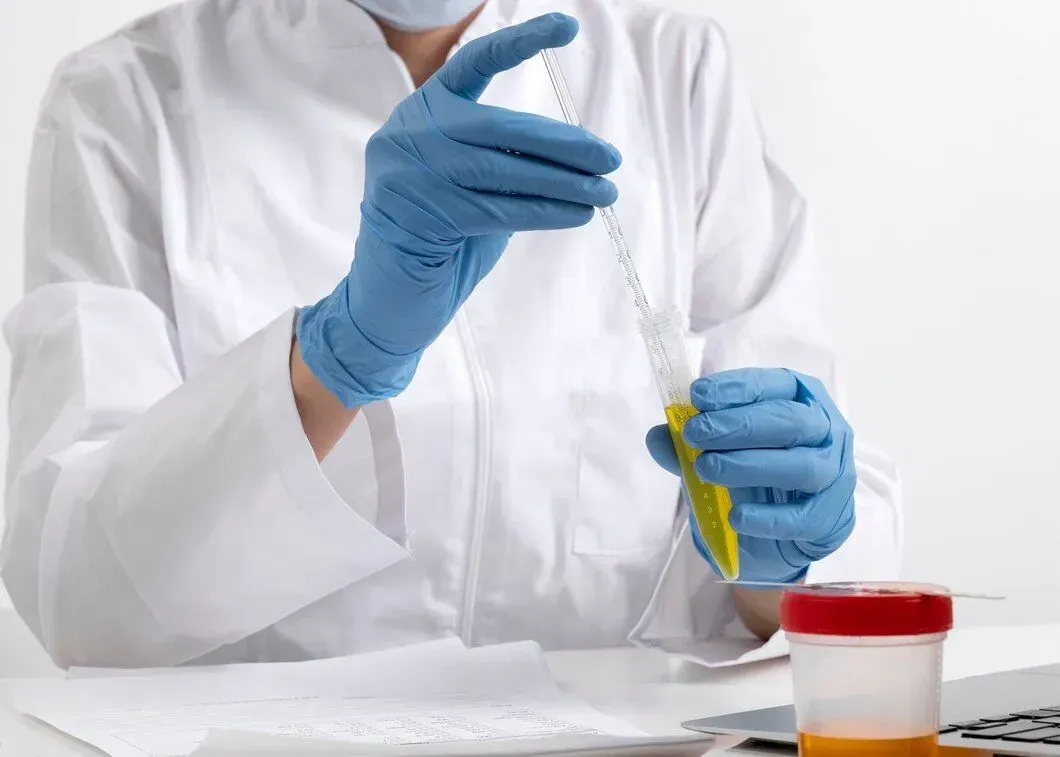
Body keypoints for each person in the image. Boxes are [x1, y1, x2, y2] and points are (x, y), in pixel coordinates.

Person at [2, 0, 901, 670]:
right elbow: (81, 595)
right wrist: (333, 360)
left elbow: (795, 558)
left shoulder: (671, 71)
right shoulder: (129, 103)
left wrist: (782, 559)